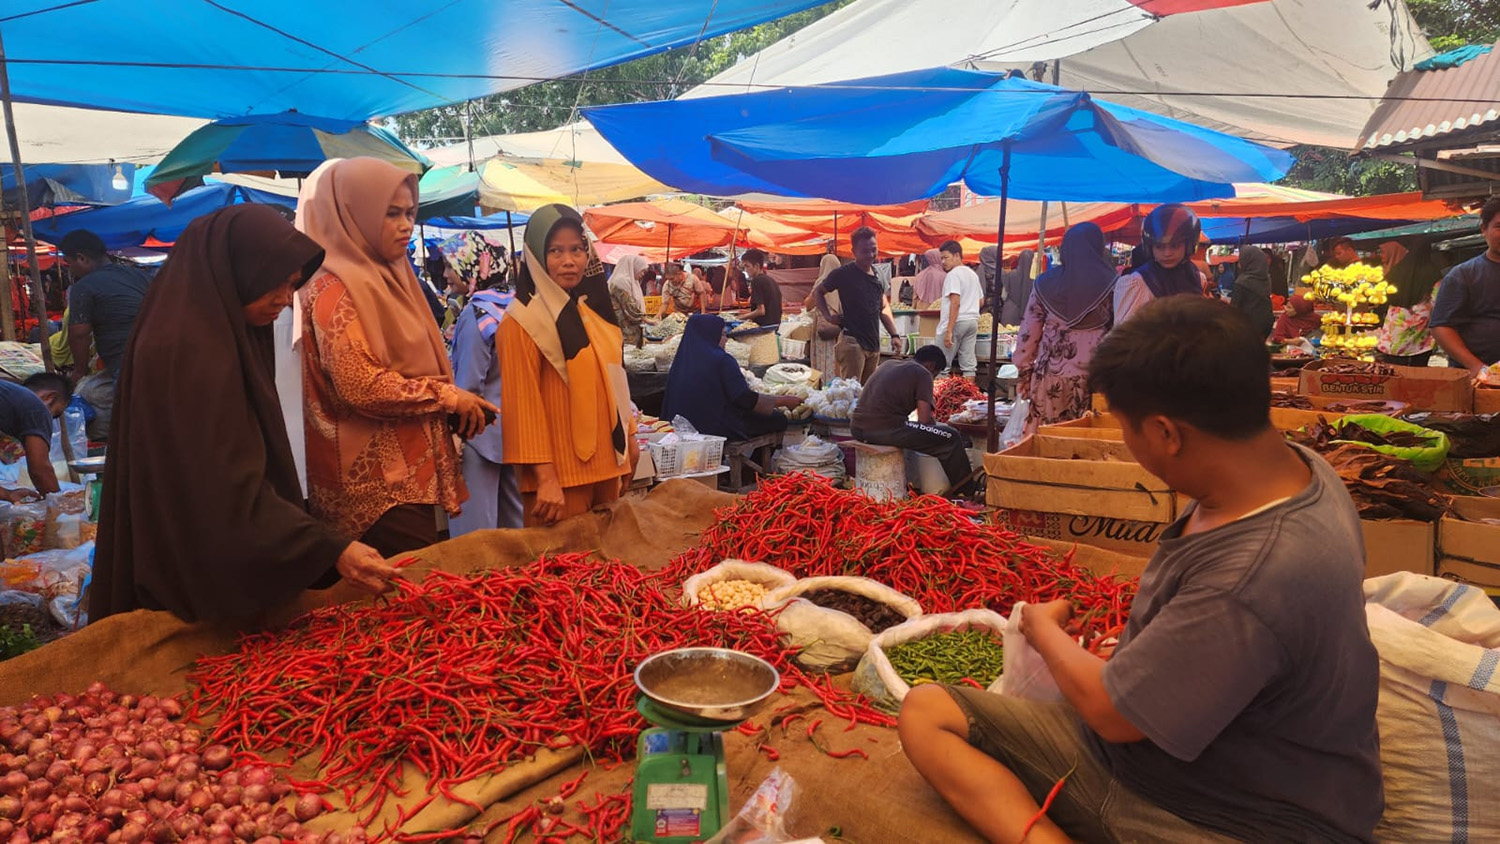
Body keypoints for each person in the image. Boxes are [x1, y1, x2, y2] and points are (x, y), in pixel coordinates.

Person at [899, 296, 1383, 844]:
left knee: (926, 719)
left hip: (1228, 813)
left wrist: (1042, 630)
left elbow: (1111, 715)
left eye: (1128, 429)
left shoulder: (1252, 575)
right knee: (929, 708)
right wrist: (1139, 651)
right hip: (1237, 766)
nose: (1128, 445)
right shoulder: (1296, 472)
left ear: (1167, 434)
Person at [90, 205, 398, 625]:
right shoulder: (190, 351)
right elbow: (220, 487)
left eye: (292, 286)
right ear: (238, 269)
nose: (284, 299)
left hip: (188, 552)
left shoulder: (214, 330)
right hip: (182, 582)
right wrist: (329, 548)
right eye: (276, 283)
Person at [296, 158, 497, 557]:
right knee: (400, 603)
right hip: (373, 489)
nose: (406, 224)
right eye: (391, 214)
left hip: (407, 478)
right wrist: (446, 398)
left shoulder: (391, 277)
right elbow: (361, 384)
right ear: (354, 213)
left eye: (410, 213)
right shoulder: (332, 286)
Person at [499, 204, 636, 527]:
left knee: (608, 567)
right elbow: (523, 406)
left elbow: (614, 377)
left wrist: (630, 437)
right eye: (555, 251)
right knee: (562, 569)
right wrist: (545, 477)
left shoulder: (593, 313)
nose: (569, 261)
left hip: (607, 465)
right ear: (535, 255)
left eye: (577, 249)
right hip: (558, 479)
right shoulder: (521, 322)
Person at [1013, 222, 1117, 433]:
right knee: (1088, 440)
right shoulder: (1114, 283)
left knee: (1049, 439)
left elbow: (1028, 333)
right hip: (1096, 376)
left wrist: (1024, 372)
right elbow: (1119, 330)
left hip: (1051, 376)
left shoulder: (1044, 283)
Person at [57, 229, 151, 440]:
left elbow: (79, 333)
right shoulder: (139, 275)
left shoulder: (84, 286)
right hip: (163, 353)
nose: (71, 269)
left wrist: (79, 371)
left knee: (133, 425)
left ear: (82, 258)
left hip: (127, 360)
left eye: (70, 263)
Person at [448, 282, 523, 536]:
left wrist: (455, 435)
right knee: (515, 532)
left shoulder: (477, 313)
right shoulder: (518, 307)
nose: (446, 275)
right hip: (518, 432)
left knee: (475, 537)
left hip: (478, 434)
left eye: (450, 266)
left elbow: (468, 388)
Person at [662, 315, 802, 440]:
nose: (726, 340)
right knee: (778, 419)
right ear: (712, 335)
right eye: (723, 335)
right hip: (713, 428)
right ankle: (754, 467)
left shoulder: (681, 360)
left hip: (678, 426)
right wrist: (781, 401)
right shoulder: (722, 360)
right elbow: (743, 398)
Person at [851, 346, 971, 489]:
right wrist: (940, 431)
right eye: (935, 374)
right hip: (884, 429)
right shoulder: (923, 373)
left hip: (857, 427)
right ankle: (967, 489)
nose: (933, 378)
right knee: (951, 437)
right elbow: (924, 420)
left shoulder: (889, 363)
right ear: (931, 366)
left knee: (939, 432)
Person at [813, 227, 904, 383]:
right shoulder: (843, 273)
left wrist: (894, 334)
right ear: (853, 251)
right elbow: (818, 292)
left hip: (873, 344)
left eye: (873, 250)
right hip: (852, 343)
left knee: (867, 392)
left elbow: (883, 307)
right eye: (864, 251)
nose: (870, 255)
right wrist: (828, 316)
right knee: (851, 393)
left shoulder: (878, 274)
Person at [1431, 197, 1500, 381]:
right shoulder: (1463, 275)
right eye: (1499, 227)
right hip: (1476, 380)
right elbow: (1441, 326)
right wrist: (1477, 367)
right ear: (1483, 229)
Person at [1112, 204, 1209, 327]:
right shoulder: (1136, 284)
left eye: (1175, 246)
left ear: (1189, 245)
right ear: (1150, 247)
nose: (1167, 253)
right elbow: (1122, 336)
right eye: (1159, 246)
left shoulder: (1197, 278)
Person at [1376, 237, 1444, 367]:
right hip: (1418, 335)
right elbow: (1437, 302)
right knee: (1414, 375)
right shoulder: (1433, 273)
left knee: (1392, 372)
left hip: (1392, 332)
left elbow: (1385, 295)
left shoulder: (1396, 270)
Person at [0, 373, 70, 501]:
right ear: (49, 397)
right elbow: (40, 470)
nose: (51, 420)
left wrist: (7, 494)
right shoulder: (36, 407)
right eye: (55, 414)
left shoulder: (10, 397)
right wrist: (59, 506)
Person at [936, 241, 983, 378]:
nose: (943, 262)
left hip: (956, 322)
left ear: (957, 255)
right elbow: (980, 300)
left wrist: (949, 330)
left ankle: (939, 398)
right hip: (972, 321)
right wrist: (969, 308)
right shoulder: (972, 274)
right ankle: (969, 398)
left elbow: (955, 302)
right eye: (941, 258)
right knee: (969, 366)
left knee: (941, 365)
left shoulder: (953, 275)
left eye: (946, 257)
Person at [805, 253, 843, 377]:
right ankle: (832, 384)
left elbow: (808, 305)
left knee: (822, 358)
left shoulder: (821, 283)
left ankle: (823, 385)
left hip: (823, 325)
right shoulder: (842, 283)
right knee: (834, 358)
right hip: (836, 328)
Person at [1230, 245, 1274, 339]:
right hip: (1266, 324)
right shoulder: (1266, 279)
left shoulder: (1242, 282)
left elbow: (1234, 309)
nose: (1239, 263)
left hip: (1247, 327)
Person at [608, 254, 651, 348]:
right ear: (634, 267)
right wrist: (646, 319)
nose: (642, 274)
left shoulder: (632, 281)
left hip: (631, 327)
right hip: (623, 328)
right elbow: (629, 305)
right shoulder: (620, 281)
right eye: (642, 271)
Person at [737, 250, 783, 327]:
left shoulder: (757, 280)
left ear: (757, 266)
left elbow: (761, 311)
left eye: (747, 266)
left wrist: (740, 317)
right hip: (775, 326)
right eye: (744, 267)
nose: (745, 270)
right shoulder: (771, 280)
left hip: (764, 328)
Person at [999, 249, 1036, 327]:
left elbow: (1003, 296)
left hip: (1011, 313)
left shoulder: (1011, 275)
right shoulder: (1037, 278)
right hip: (1030, 314)